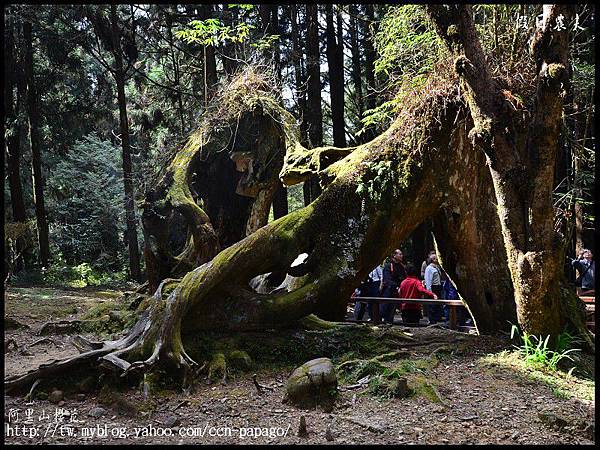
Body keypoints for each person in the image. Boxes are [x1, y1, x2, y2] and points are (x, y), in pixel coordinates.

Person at [380, 249, 406, 324]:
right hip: (388, 291)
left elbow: (404, 278)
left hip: (397, 292)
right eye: (400, 254)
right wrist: (396, 286)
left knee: (392, 310)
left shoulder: (402, 266)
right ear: (394, 255)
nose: (402, 256)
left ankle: (389, 324)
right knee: (384, 309)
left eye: (401, 254)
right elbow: (387, 279)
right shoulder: (388, 266)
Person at [424, 253, 444, 324]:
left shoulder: (437, 267)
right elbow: (428, 281)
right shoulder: (429, 268)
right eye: (436, 258)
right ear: (433, 260)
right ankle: (432, 321)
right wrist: (430, 292)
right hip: (433, 288)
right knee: (432, 305)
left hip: (438, 287)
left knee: (437, 305)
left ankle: (436, 319)